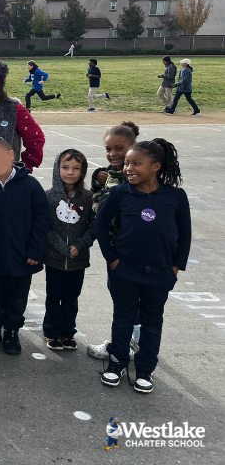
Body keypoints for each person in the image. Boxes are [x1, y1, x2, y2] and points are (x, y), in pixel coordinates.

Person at [97, 138, 190, 394]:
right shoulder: (119, 193)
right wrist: (112, 259)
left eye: (137, 163)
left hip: (161, 272)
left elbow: (185, 234)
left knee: (151, 322)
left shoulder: (175, 196)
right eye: (127, 163)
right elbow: (100, 225)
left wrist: (175, 268)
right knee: (123, 318)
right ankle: (116, 365)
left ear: (156, 166)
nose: (129, 168)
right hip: (126, 269)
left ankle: (145, 370)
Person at [0, 137, 51, 355]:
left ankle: (11, 331)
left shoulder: (30, 185)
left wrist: (36, 249)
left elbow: (42, 219)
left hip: (22, 256)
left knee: (17, 296)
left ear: (11, 155)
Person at [87, 121, 141, 360]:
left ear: (134, 146)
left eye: (120, 148)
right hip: (114, 247)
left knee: (126, 299)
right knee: (120, 294)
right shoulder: (111, 173)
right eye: (109, 149)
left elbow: (107, 206)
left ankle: (126, 343)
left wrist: (101, 191)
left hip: (129, 249)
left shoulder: (134, 177)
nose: (113, 154)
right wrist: (98, 181)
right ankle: (130, 340)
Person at [42, 149, 95, 351]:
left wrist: (78, 246)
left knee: (71, 298)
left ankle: (68, 332)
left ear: (83, 171)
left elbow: (93, 227)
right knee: (54, 296)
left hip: (77, 260)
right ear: (57, 169)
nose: (70, 172)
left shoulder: (88, 198)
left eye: (76, 168)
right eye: (65, 167)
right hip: (55, 258)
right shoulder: (49, 196)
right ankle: (52, 332)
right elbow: (45, 227)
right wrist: (62, 247)